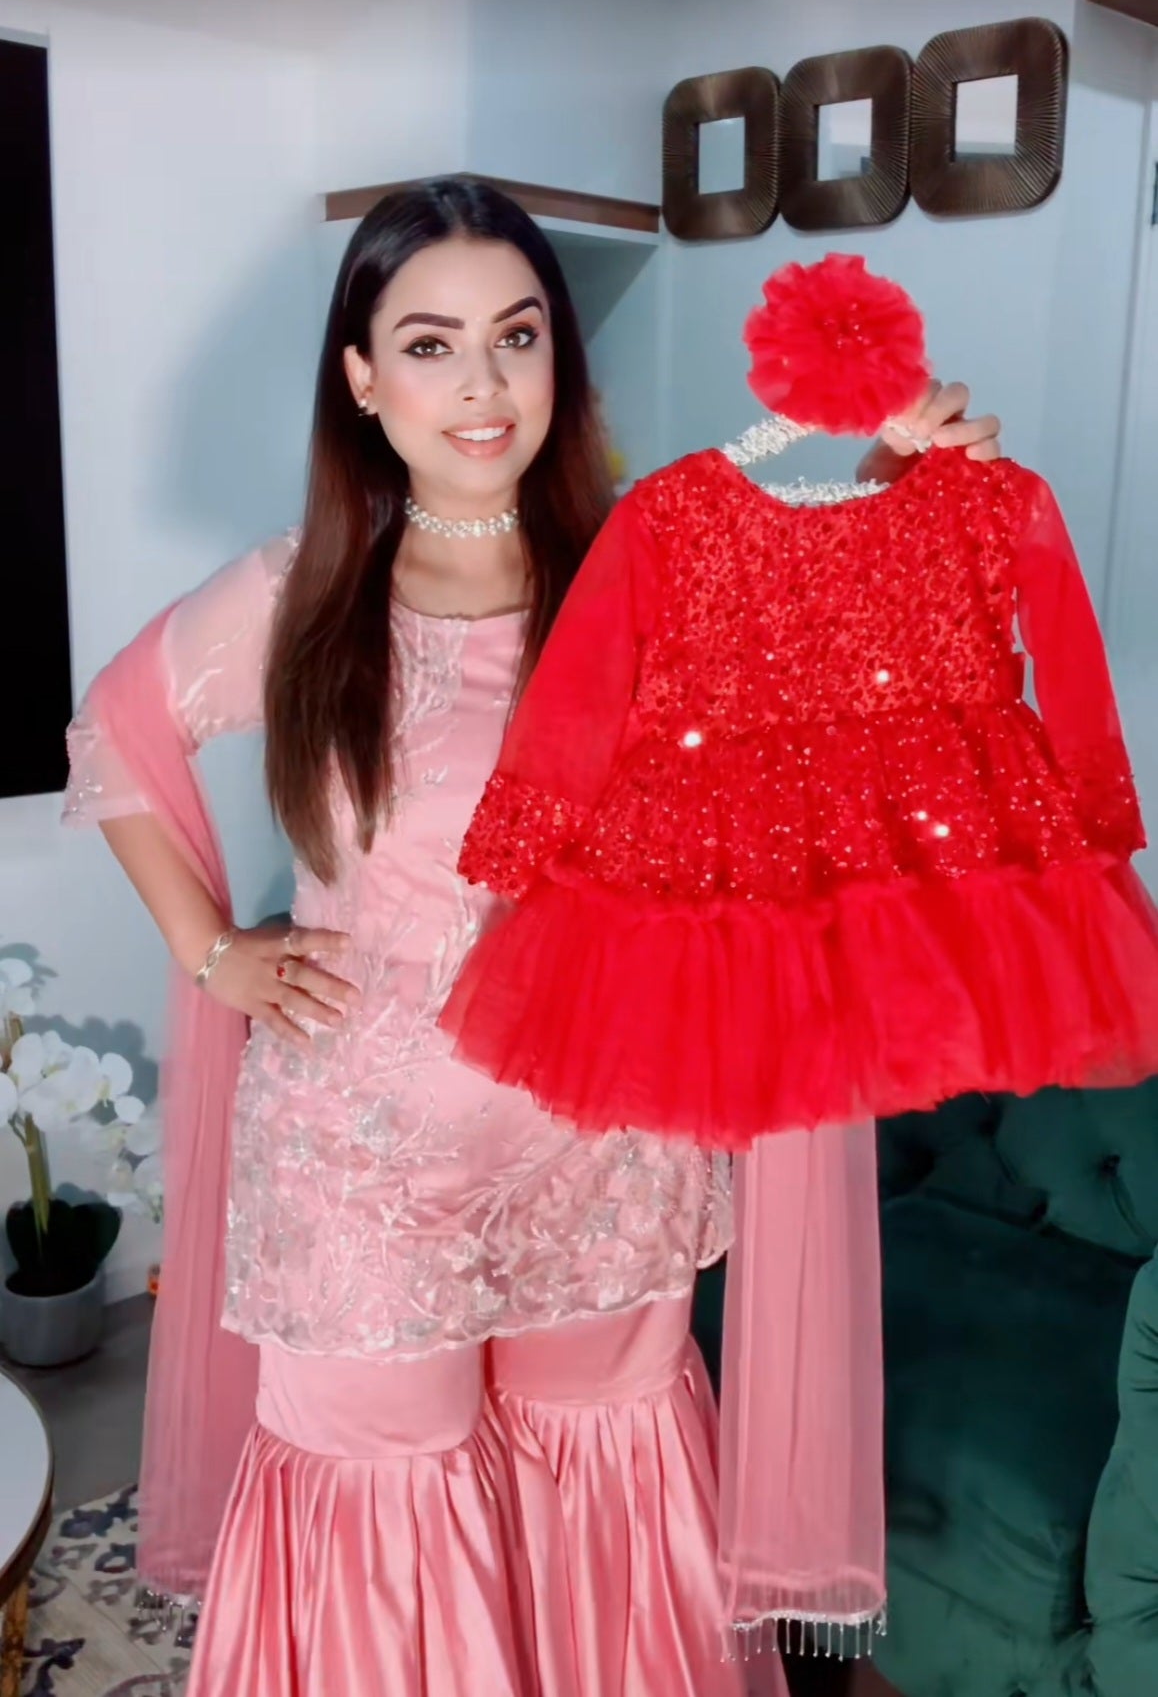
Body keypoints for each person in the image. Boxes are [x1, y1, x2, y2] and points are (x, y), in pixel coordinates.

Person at [64, 178, 1001, 1695]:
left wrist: (896, 479)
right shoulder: (299, 591)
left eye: (515, 336)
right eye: (428, 345)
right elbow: (115, 728)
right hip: (366, 1175)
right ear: (362, 380)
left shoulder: (638, 570)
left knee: (608, 1486)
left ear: (559, 362)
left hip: (600, 1152)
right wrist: (209, 950)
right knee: (378, 1504)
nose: (482, 383)